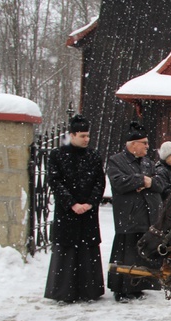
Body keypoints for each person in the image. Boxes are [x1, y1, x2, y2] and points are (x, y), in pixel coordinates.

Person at [44, 114, 105, 303]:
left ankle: (89, 291)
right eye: (82, 136)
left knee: (88, 253)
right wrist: (72, 203)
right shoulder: (58, 155)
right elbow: (55, 182)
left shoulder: (94, 156)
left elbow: (99, 182)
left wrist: (89, 203)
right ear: (72, 135)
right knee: (66, 252)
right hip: (67, 213)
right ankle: (64, 291)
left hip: (87, 212)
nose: (86, 139)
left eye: (88, 136)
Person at [106, 122, 167, 303]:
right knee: (127, 253)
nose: (148, 147)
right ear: (133, 144)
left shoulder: (148, 163)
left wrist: (147, 183)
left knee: (143, 253)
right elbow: (119, 182)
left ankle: (140, 285)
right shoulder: (116, 161)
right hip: (129, 216)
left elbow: (160, 184)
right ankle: (122, 289)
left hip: (148, 216)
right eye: (144, 143)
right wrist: (141, 180)